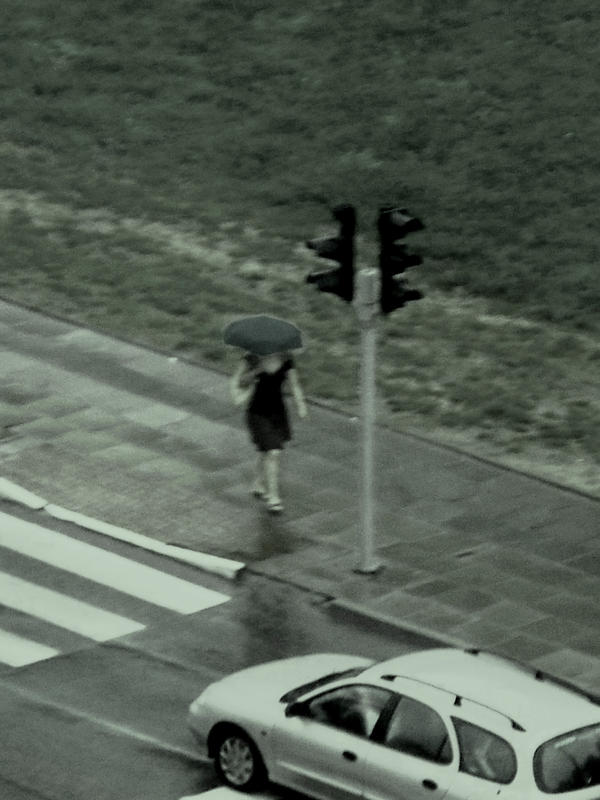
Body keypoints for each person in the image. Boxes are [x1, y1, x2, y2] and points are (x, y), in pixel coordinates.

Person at [230, 351, 307, 513]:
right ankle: (274, 498)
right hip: (257, 413)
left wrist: (301, 405)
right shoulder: (252, 357)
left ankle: (258, 482)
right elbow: (239, 380)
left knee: (266, 450)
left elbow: (294, 384)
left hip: (277, 413)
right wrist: (257, 370)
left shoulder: (286, 359)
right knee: (273, 452)